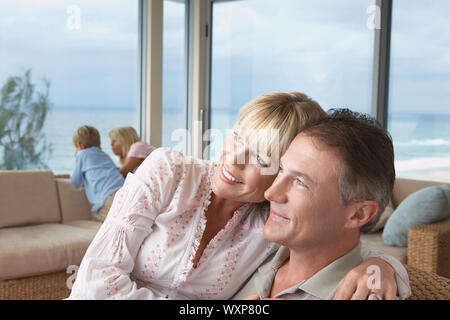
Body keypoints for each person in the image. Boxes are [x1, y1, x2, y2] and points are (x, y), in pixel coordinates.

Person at [68, 92, 410, 300]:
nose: (232, 159)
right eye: (236, 136)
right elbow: (96, 282)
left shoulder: (272, 226)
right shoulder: (169, 171)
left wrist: (382, 266)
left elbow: (335, 245)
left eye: (260, 158)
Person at [232, 109, 408, 300]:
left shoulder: (364, 294)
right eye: (281, 170)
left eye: (300, 183)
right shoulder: (257, 250)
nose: (271, 193)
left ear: (358, 214)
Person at [71, 125, 125, 222]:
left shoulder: (82, 154)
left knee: (96, 216)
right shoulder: (105, 156)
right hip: (124, 191)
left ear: (79, 146)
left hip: (109, 198)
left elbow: (75, 182)